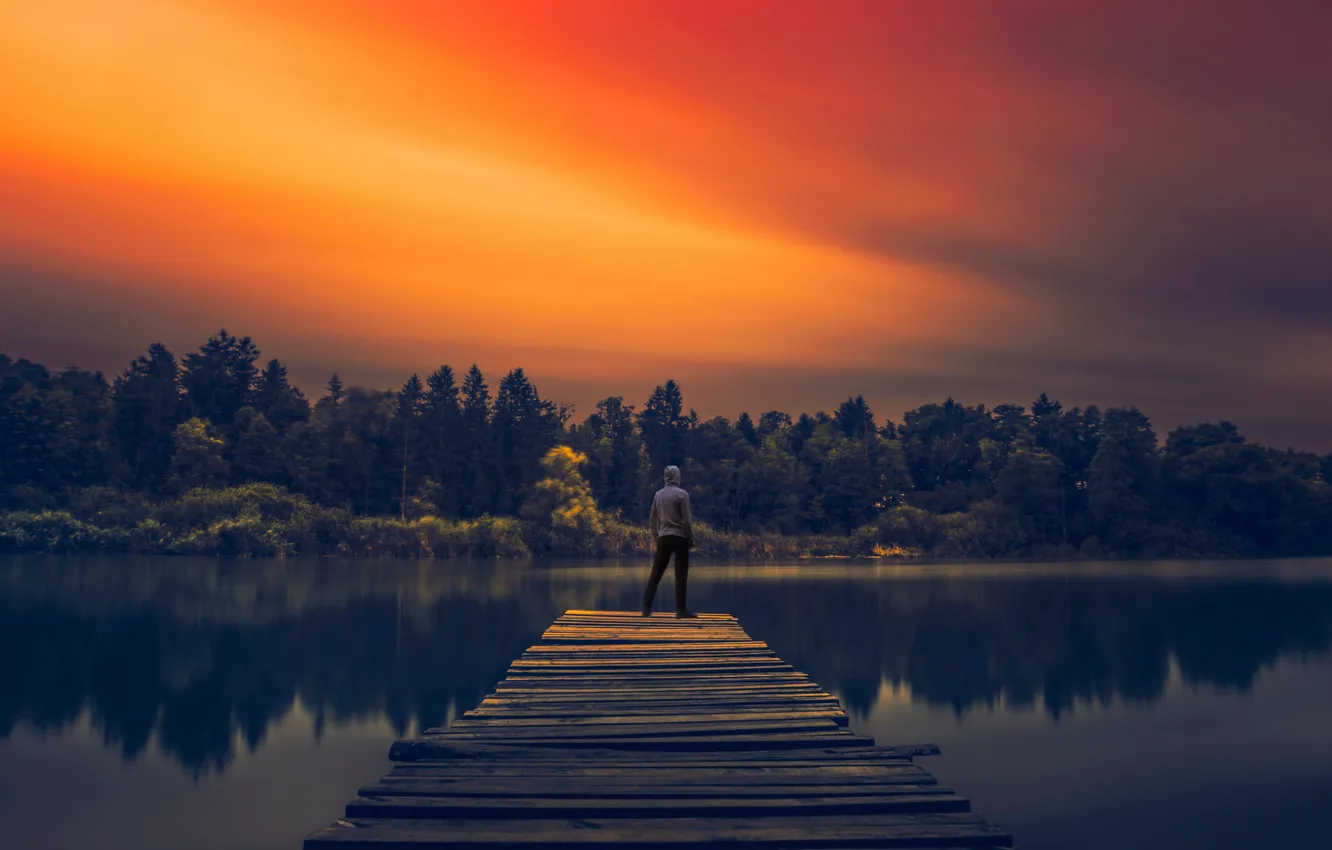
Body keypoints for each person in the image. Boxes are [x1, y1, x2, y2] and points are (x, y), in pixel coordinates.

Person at [643, 465, 696, 617]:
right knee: (681, 575)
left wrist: (656, 537)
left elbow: (652, 520)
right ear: (677, 476)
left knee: (656, 573)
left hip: (664, 537)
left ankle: (646, 608)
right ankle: (681, 610)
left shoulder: (658, 495)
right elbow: (686, 519)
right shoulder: (682, 495)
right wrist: (690, 537)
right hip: (680, 538)